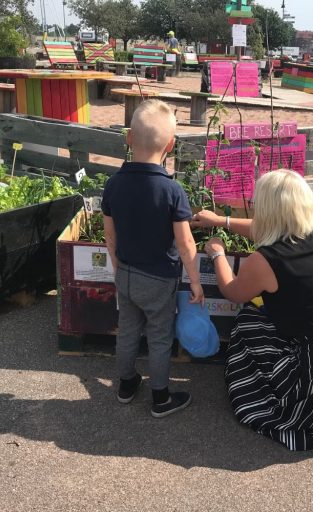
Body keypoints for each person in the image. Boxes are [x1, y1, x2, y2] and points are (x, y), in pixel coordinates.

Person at [192, 170, 313, 451]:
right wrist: (221, 221)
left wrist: (217, 254)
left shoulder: (265, 261)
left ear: (268, 211)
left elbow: (232, 291)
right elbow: (264, 229)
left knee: (249, 319)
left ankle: (290, 397)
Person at [101, 99, 204, 418]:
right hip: (159, 278)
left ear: (129, 137)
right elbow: (186, 244)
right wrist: (196, 281)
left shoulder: (113, 184)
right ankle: (160, 397)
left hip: (127, 274)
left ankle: (127, 384)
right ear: (171, 146)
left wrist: (119, 269)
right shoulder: (171, 191)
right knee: (160, 336)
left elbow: (109, 235)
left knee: (129, 329)